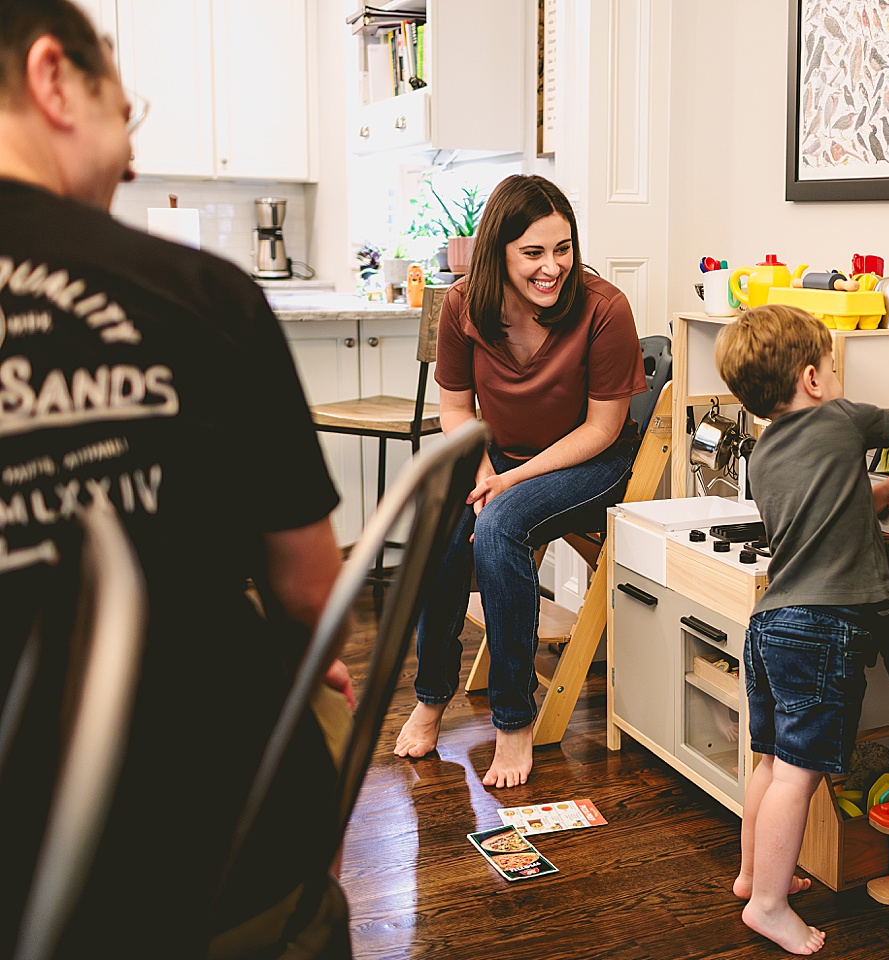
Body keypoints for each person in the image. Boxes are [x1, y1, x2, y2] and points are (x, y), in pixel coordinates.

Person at [0, 2, 353, 956]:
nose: (128, 157)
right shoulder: (203, 297)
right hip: (205, 851)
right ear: (53, 79)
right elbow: (315, 598)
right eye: (127, 112)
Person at [394, 174, 648, 788]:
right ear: (498, 252)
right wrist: (484, 471)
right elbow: (455, 409)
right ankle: (431, 697)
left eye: (562, 249)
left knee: (501, 525)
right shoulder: (462, 306)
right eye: (533, 252)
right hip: (501, 459)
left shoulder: (604, 308)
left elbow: (604, 427)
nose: (552, 267)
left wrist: (509, 483)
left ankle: (513, 721)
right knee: (442, 528)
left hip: (592, 463)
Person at [714, 304, 889, 955]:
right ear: (813, 379)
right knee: (799, 775)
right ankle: (769, 903)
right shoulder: (841, 419)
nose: (839, 376)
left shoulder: (765, 453)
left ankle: (752, 877)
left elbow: (829, 505)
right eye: (835, 366)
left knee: (769, 763)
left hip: (770, 624)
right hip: (821, 627)